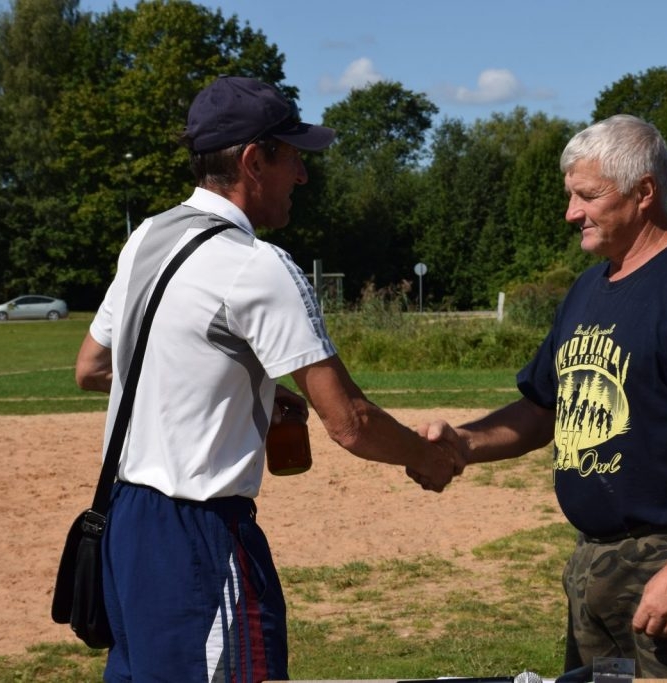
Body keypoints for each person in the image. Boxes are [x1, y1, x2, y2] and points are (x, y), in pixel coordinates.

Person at [74, 75, 460, 683]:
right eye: (294, 159)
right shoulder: (258, 265)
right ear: (254, 160)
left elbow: (93, 367)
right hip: (200, 537)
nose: (303, 177)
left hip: (126, 524)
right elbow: (350, 423)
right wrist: (429, 459)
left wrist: (239, 388)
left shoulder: (147, 236)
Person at [416, 114, 667, 682]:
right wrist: (463, 443)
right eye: (570, 196)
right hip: (595, 563)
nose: (571, 213)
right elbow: (541, 410)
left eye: (587, 196)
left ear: (644, 192)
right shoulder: (589, 287)